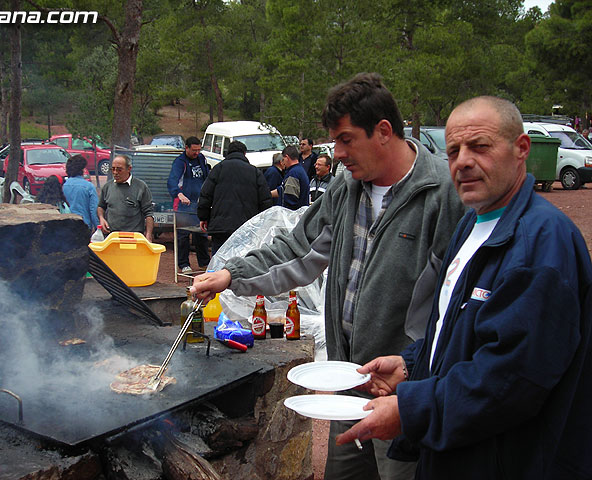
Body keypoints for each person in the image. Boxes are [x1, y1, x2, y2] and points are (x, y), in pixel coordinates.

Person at [190, 72, 466, 480]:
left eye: (345, 139)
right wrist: (231, 274)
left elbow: (455, 309)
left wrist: (417, 378)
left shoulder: (443, 193)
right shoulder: (346, 188)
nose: (336, 153)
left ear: (384, 131)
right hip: (347, 382)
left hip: (403, 393)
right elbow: (297, 249)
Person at [335, 96, 592, 480]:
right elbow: (455, 332)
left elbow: (512, 380)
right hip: (459, 452)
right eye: (453, 150)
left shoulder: (541, 243)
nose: (463, 161)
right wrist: (411, 364)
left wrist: (412, 409)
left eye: (480, 146)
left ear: (522, 149)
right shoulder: (472, 225)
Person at [197, 140, 273, 253]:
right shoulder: (255, 172)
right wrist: (262, 223)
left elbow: (205, 195)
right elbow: (265, 201)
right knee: (243, 261)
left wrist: (203, 217)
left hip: (220, 226)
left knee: (219, 260)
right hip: (246, 227)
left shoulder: (218, 169)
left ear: (228, 153)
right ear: (244, 153)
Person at [167, 136, 210, 273]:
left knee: (202, 233)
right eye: (194, 150)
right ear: (186, 148)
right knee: (183, 235)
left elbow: (207, 177)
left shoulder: (201, 158)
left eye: (198, 150)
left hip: (199, 203)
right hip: (183, 205)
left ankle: (204, 262)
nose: (196, 153)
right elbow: (172, 181)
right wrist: (179, 194)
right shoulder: (180, 162)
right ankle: (184, 263)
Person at [98, 154, 154, 242]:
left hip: (134, 238)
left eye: (119, 170)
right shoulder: (107, 187)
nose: (115, 173)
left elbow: (149, 214)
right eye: (113, 169)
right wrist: (102, 218)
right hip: (111, 238)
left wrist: (148, 235)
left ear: (129, 169)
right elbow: (101, 206)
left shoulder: (140, 187)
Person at [63, 154, 99, 229]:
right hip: (84, 226)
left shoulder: (63, 186)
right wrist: (97, 228)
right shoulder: (89, 187)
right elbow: (93, 210)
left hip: (66, 226)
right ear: (82, 170)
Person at [280, 145, 310, 210]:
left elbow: (290, 199)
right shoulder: (299, 170)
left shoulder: (293, 174)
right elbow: (282, 189)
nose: (283, 162)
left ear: (287, 157)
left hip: (294, 215)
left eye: (283, 159)